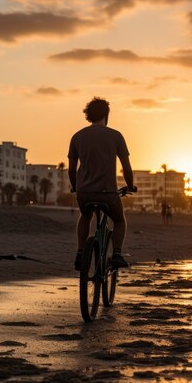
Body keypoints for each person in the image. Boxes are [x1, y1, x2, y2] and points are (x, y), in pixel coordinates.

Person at [68, 97, 137, 271]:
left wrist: (76, 187)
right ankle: (116, 254)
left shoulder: (77, 137)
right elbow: (127, 169)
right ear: (107, 115)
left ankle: (81, 251)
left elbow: (71, 170)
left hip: (84, 192)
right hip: (107, 193)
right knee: (120, 220)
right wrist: (130, 186)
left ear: (88, 115)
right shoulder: (115, 136)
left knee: (85, 216)